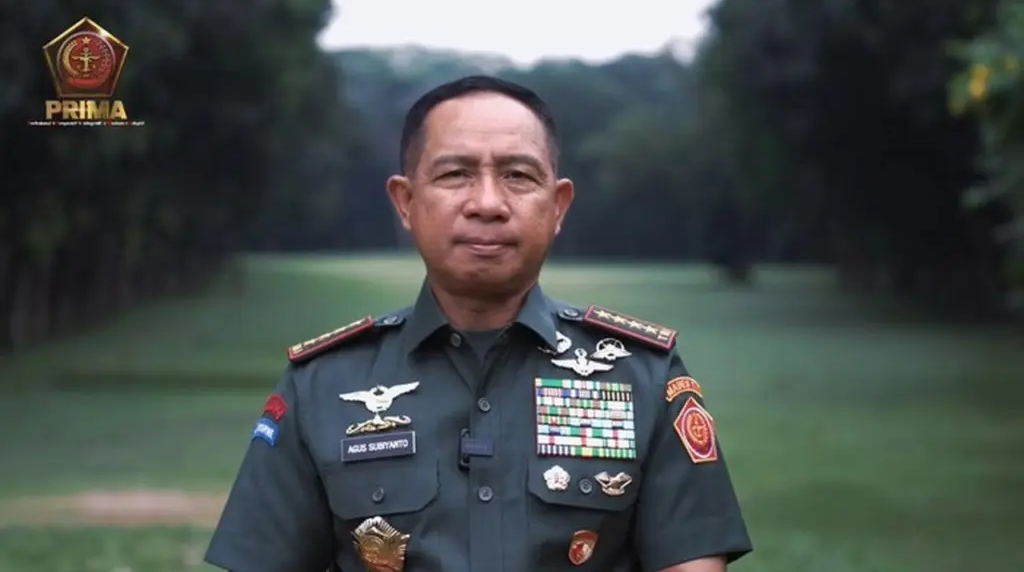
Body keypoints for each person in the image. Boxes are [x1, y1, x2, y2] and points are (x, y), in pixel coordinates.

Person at [204, 75, 753, 572]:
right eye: (455, 174)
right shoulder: (323, 386)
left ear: (558, 206)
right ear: (405, 202)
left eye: (518, 175)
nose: (487, 203)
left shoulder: (642, 379)